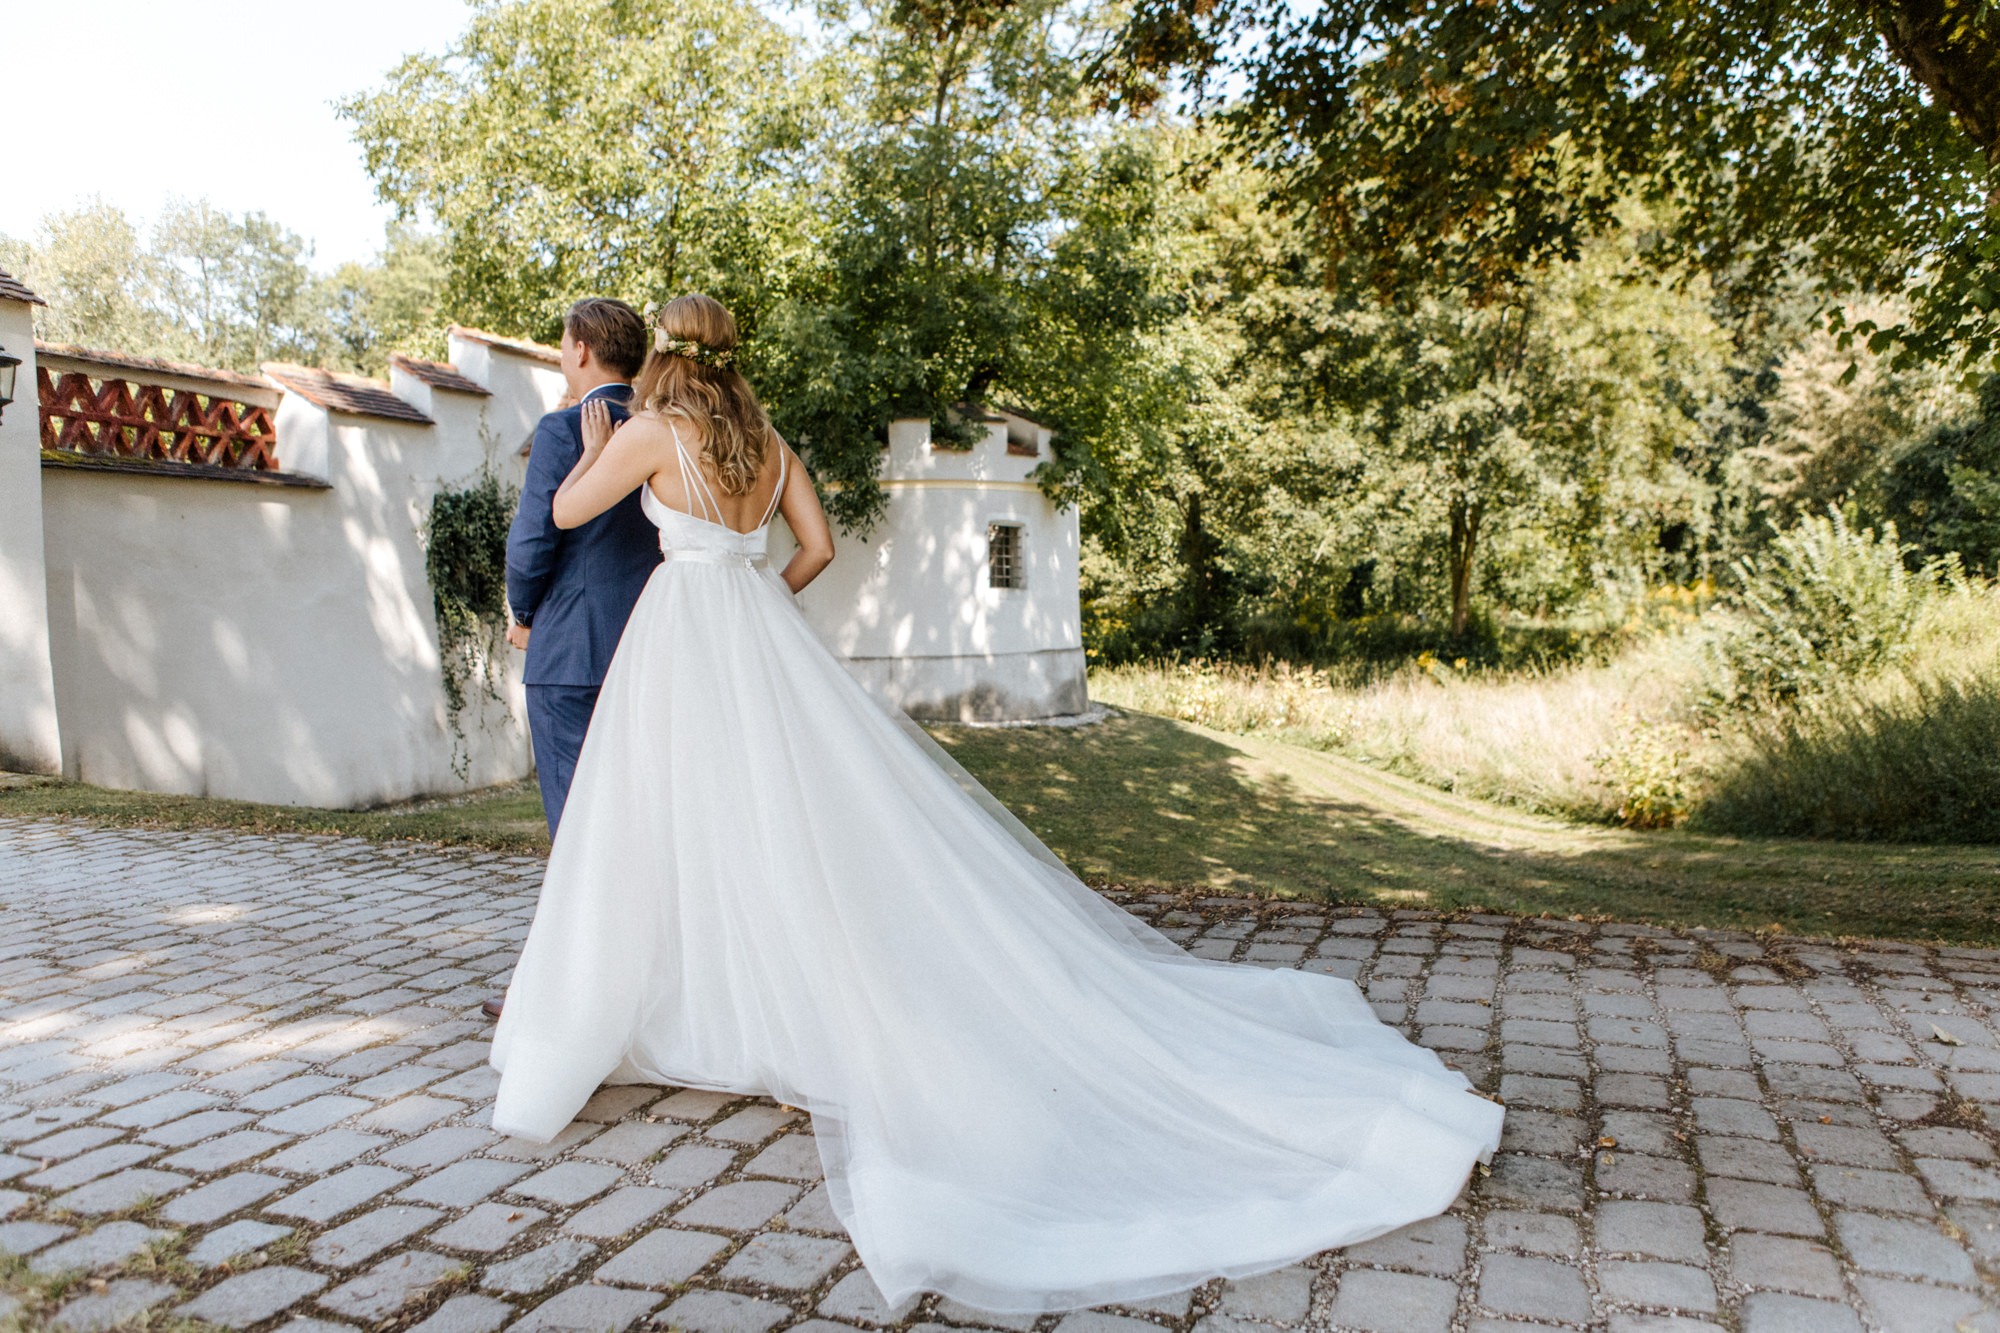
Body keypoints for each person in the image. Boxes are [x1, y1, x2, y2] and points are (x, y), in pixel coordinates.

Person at [489, 293, 1503, 1312]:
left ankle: (694, 1010)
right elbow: (817, 550)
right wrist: (753, 599)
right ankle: (744, 1008)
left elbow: (571, 513)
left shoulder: (649, 431)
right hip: (752, 630)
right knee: (780, 828)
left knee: (671, 827)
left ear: (660, 360)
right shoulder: (765, 438)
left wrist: (591, 445)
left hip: (681, 638)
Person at [487, 298, 660, 1021]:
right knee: (638, 826)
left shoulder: (564, 430)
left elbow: (532, 543)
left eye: (563, 342)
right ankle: (642, 984)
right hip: (651, 649)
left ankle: (567, 1001)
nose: (562, 352)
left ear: (583, 348)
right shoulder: (668, 431)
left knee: (579, 831)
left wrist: (523, 613)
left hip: (570, 658)